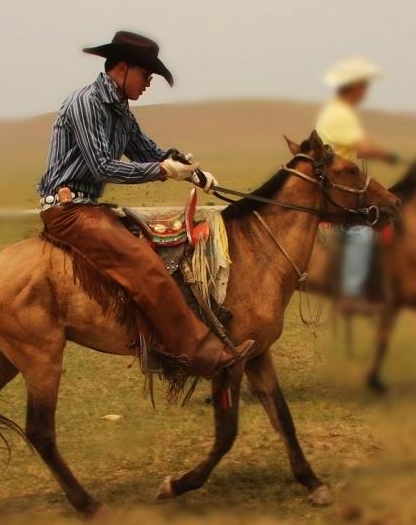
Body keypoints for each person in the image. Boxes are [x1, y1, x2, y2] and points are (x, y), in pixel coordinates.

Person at [37, 31, 254, 377]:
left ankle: (157, 338)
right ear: (122, 68)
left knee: (156, 245)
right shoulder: (86, 103)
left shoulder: (120, 110)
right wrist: (161, 170)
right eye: (146, 75)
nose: (149, 83)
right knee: (143, 263)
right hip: (67, 211)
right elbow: (102, 165)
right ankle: (198, 354)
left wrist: (192, 172)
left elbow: (147, 150)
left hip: (88, 207)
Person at [316, 57, 399, 311]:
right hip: (339, 184)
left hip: (342, 178)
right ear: (353, 88)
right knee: (361, 231)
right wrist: (388, 155)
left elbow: (348, 147)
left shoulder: (335, 112)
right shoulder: (340, 114)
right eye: (363, 87)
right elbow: (362, 146)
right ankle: (351, 295)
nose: (365, 93)